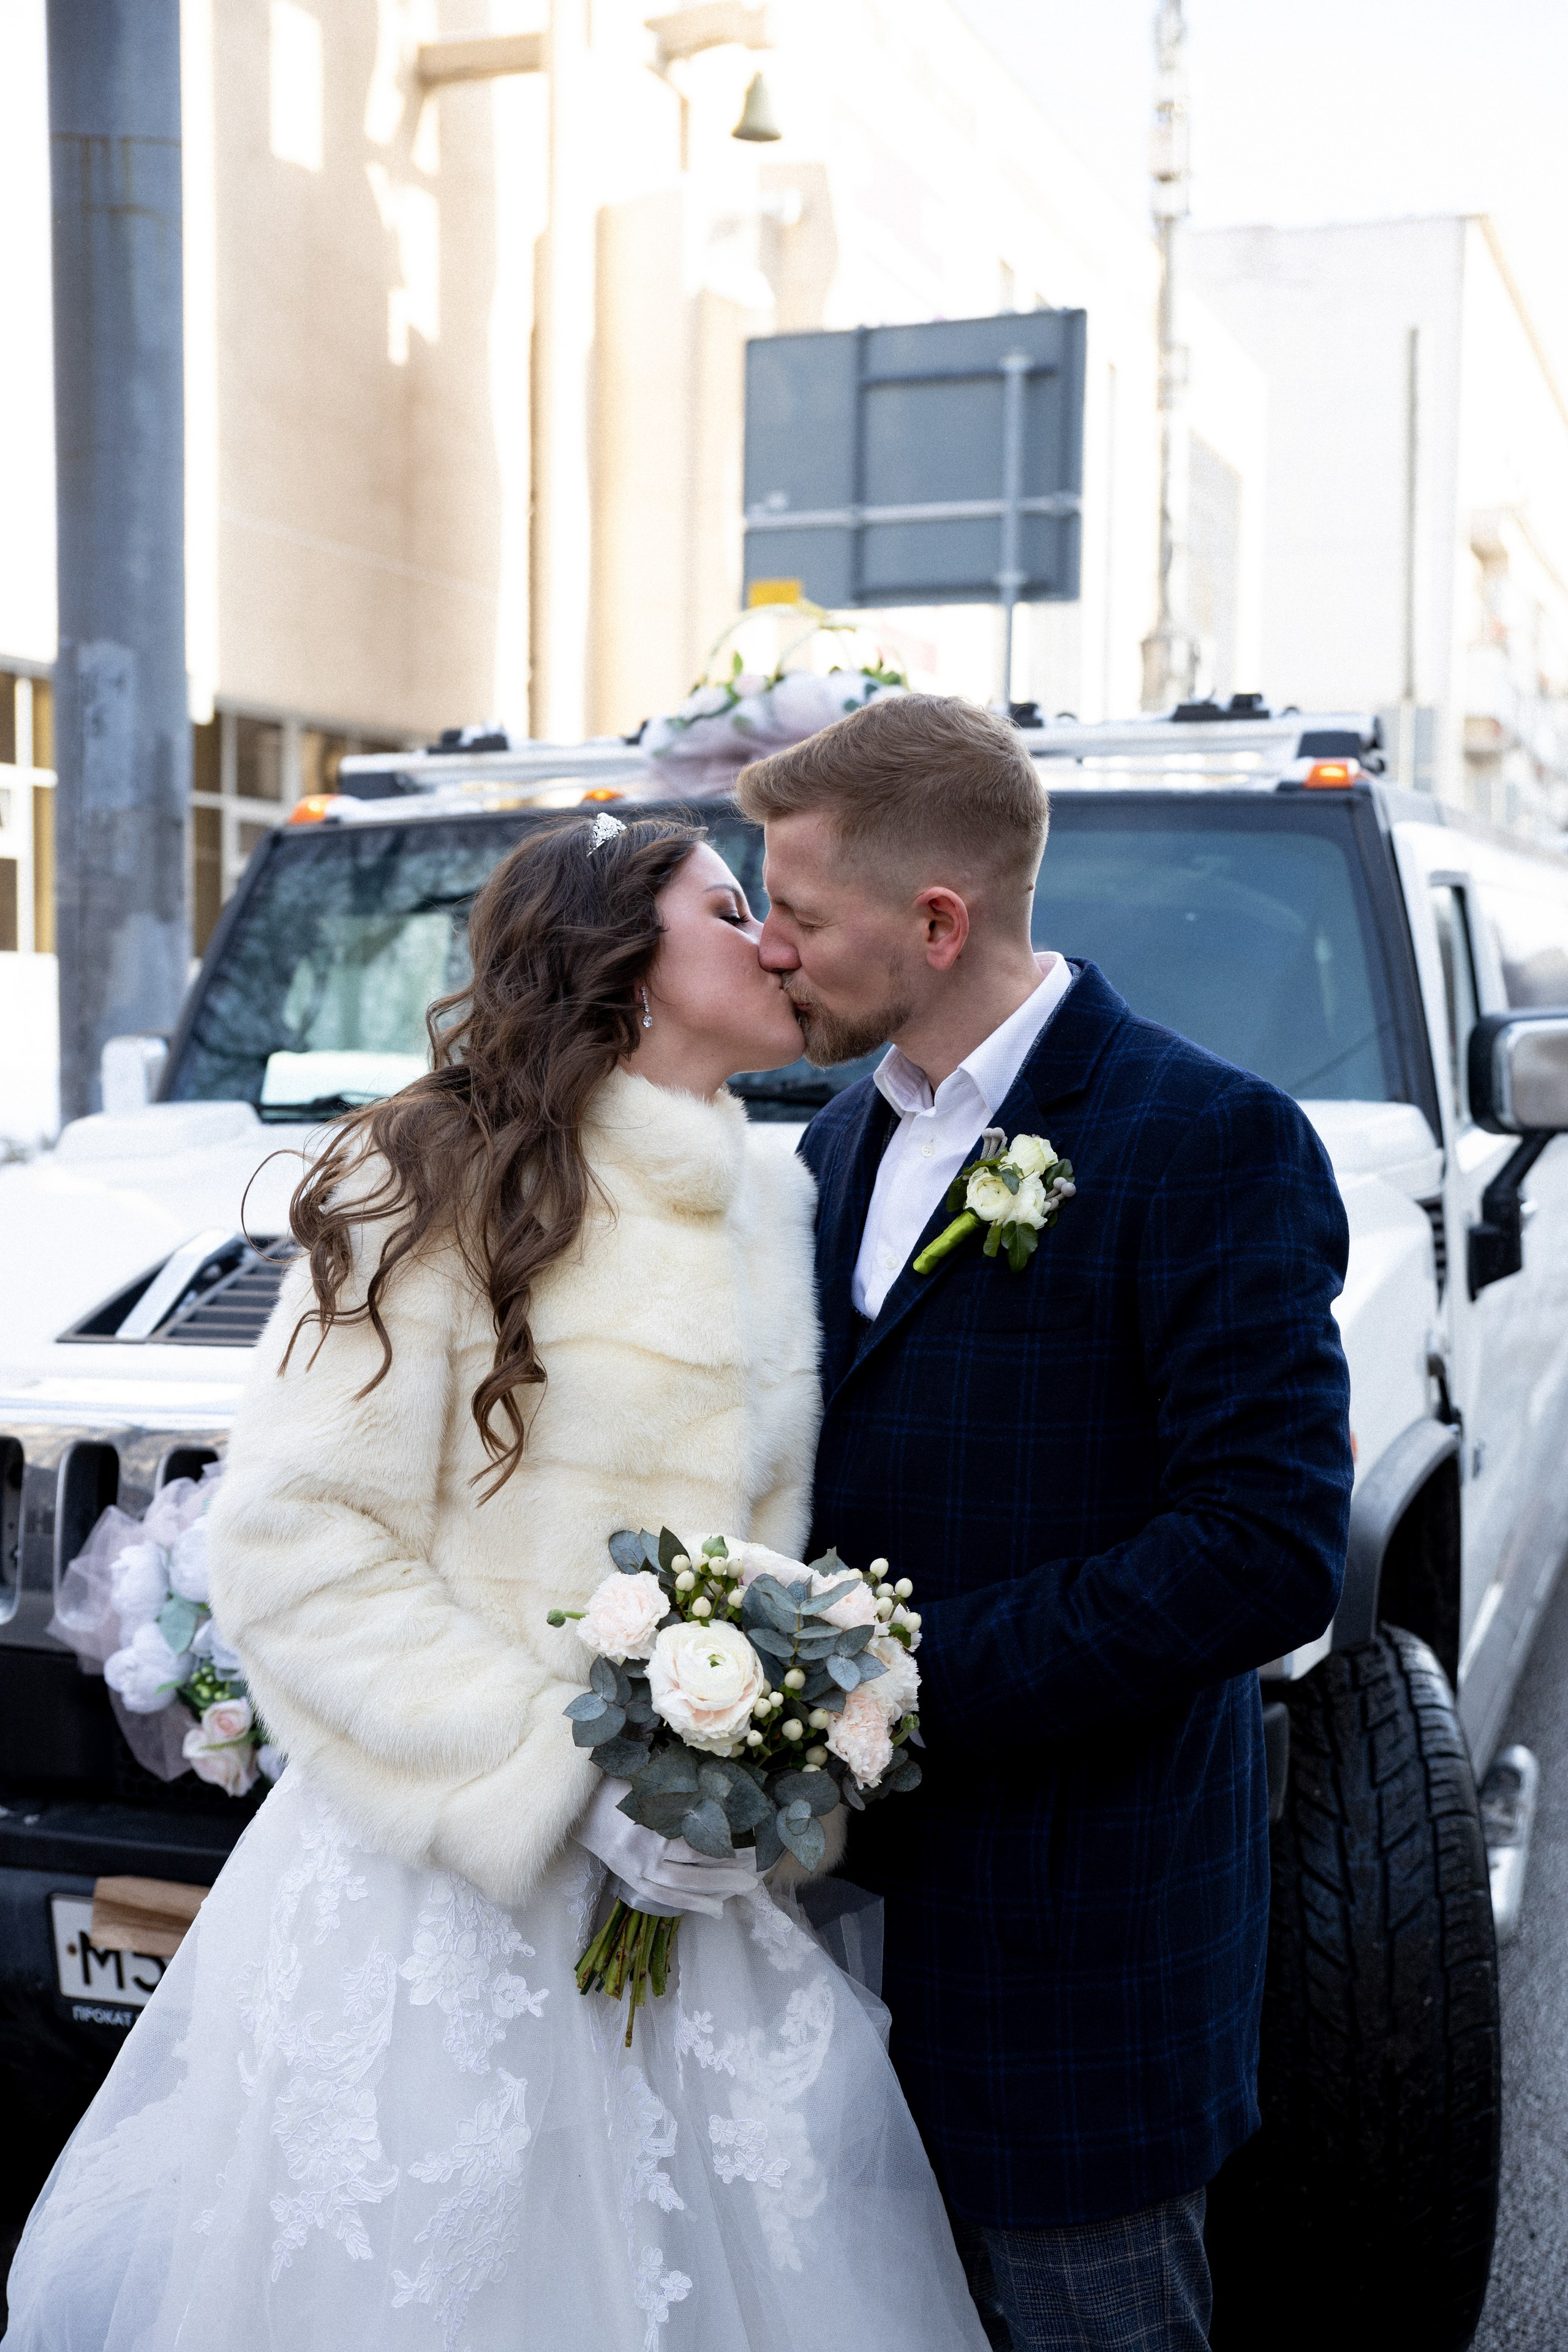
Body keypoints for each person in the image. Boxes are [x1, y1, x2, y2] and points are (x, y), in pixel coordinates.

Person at [1, 815, 990, 2352]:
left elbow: (758, 1565)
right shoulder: (430, 1173)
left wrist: (742, 1788)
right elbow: (297, 1543)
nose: (775, 941)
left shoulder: (770, 1199)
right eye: (729, 907)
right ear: (621, 960)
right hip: (442, 1901)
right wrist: (567, 1780)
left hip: (684, 1915)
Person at [735, 694, 1354, 2352]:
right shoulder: (834, 1145)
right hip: (831, 1943)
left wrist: (895, 1676)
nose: (771, 950)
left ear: (937, 923)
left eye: (798, 913)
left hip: (1077, 1945)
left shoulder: (1204, 1137)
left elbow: (1266, 1547)